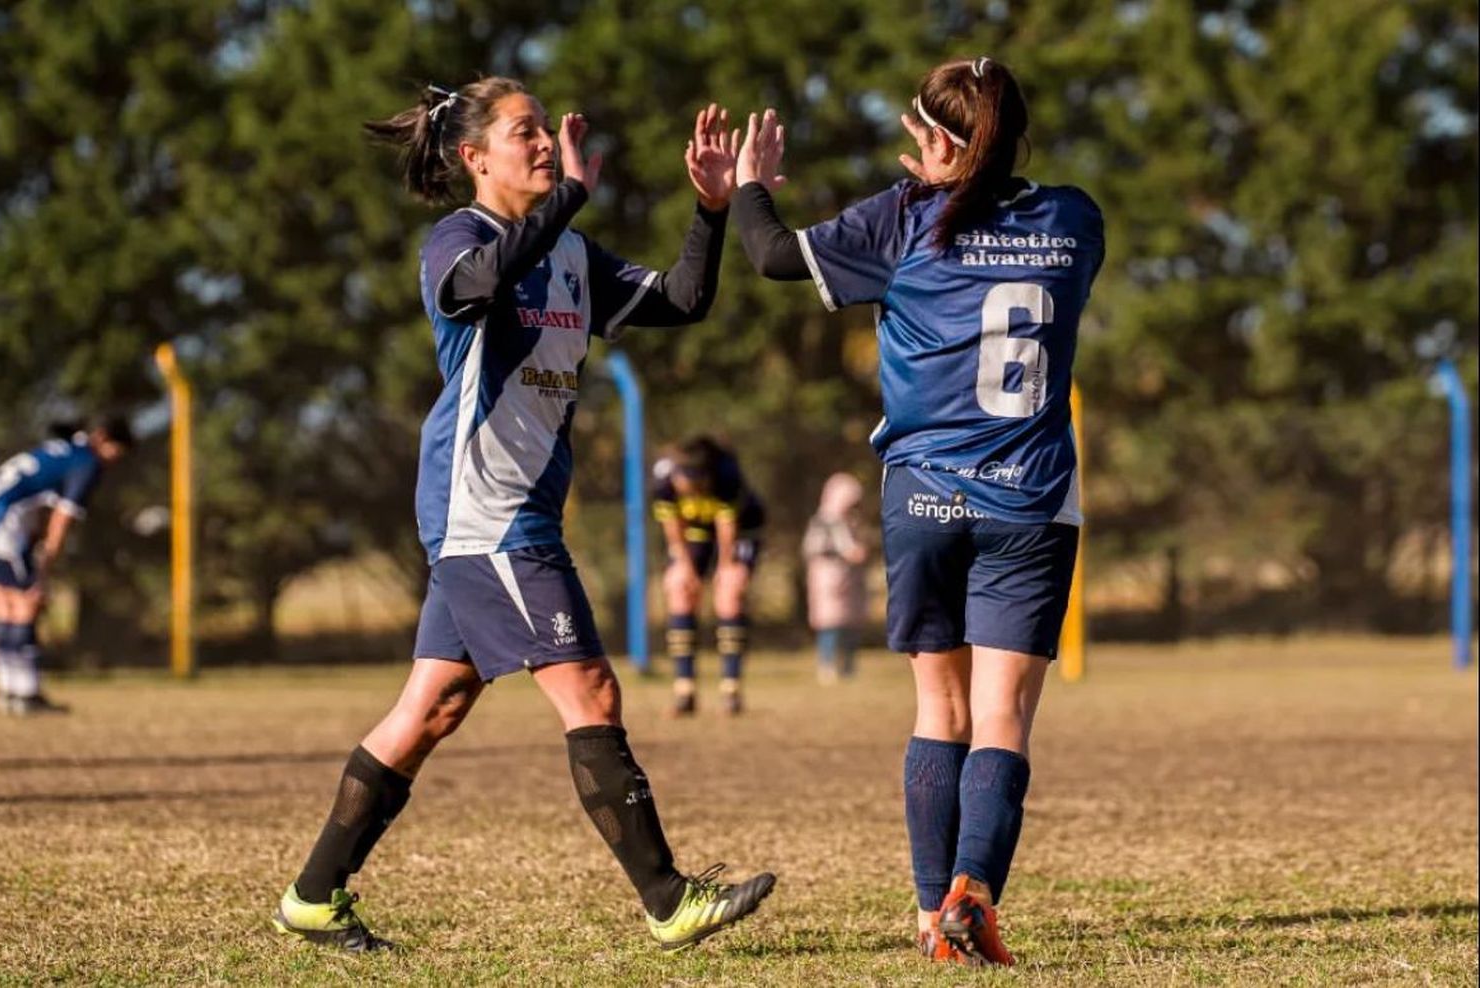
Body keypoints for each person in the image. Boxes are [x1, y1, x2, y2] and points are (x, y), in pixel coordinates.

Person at [271, 78, 775, 954]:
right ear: (475, 158)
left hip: (508, 514)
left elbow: (685, 299)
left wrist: (711, 209)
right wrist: (572, 193)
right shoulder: (457, 239)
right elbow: (474, 290)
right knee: (591, 689)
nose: (546, 143)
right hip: (488, 513)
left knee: (430, 710)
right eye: (525, 132)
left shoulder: (574, 254)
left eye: (549, 130)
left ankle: (312, 896)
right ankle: (666, 900)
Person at [729, 56, 1105, 966]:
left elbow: (775, 256)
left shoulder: (902, 220)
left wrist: (749, 188)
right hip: (1032, 497)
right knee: (1003, 715)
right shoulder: (1073, 218)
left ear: (940, 141)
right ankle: (975, 889)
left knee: (940, 708)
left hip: (924, 495)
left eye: (918, 135)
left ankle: (933, 911)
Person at [0, 418, 134, 715]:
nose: (114, 460)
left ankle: (10, 691)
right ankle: (25, 693)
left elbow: (34, 496)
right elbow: (62, 518)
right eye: (117, 451)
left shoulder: (64, 449)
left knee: (4, 602)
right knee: (27, 602)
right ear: (103, 439)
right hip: (4, 522)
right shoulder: (87, 463)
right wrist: (46, 562)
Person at [651, 435, 764, 716]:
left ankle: (731, 690)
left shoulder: (726, 475)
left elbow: (728, 527)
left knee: (730, 591)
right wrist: (685, 566)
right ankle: (684, 690)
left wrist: (726, 567)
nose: (683, 488)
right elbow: (672, 527)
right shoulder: (663, 481)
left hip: (741, 531)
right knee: (679, 587)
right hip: (694, 533)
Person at [801, 472, 868, 684]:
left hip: (851, 579)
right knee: (829, 624)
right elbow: (812, 548)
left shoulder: (853, 521)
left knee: (850, 625)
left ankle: (849, 666)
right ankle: (827, 665)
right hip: (827, 579)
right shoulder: (823, 521)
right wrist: (844, 553)